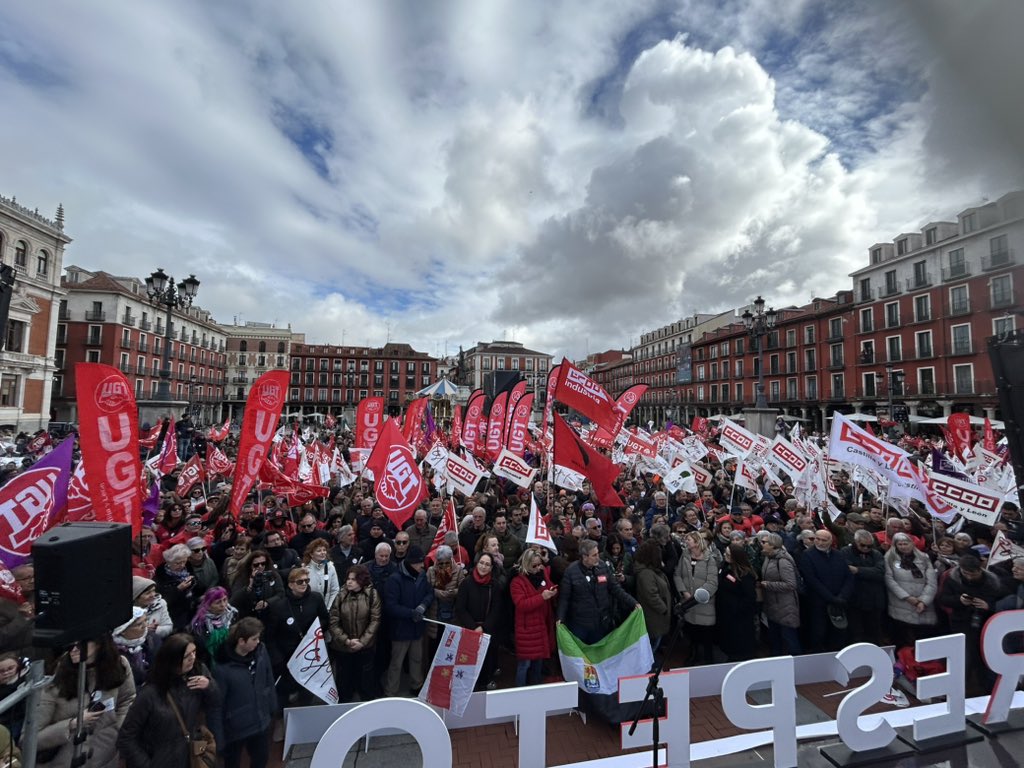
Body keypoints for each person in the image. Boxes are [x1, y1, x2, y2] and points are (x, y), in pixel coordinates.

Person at [117, 633, 219, 768]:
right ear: (173, 659)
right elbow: (126, 737)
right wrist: (147, 765)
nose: (193, 658)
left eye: (194, 652)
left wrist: (209, 687)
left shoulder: (199, 675)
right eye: (187, 656)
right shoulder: (150, 693)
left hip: (190, 757)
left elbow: (214, 704)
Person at [36, 636, 136, 768]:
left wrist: (116, 732)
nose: (73, 650)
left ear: (99, 643)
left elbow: (127, 700)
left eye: (80, 644)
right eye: (69, 645)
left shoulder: (118, 665)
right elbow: (30, 739)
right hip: (64, 761)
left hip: (106, 758)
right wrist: (72, 724)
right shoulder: (56, 678)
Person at [213, 618, 276, 768]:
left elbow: (268, 678)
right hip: (236, 727)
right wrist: (218, 738)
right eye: (254, 639)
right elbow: (217, 704)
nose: (258, 642)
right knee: (232, 762)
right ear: (241, 641)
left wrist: (271, 705)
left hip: (260, 719)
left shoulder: (261, 652)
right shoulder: (222, 669)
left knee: (261, 759)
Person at [264, 567, 331, 707]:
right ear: (290, 585)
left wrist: (314, 630)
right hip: (287, 658)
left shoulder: (316, 598)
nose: (304, 584)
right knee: (283, 695)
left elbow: (325, 619)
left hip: (309, 655)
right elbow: (269, 636)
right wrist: (278, 660)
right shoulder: (278, 606)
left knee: (307, 692)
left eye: (307, 580)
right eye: (300, 581)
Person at [557, 539, 640, 645]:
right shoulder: (571, 572)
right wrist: (560, 618)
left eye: (597, 553)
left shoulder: (602, 566)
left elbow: (615, 588)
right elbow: (564, 598)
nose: (598, 557)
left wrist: (633, 603)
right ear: (585, 557)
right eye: (594, 555)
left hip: (600, 623)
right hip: (580, 625)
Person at [382, 545, 433, 697]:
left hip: (417, 628)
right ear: (411, 563)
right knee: (396, 662)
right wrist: (411, 613)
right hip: (401, 629)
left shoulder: (422, 576)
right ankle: (391, 691)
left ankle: (416, 685)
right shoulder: (395, 579)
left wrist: (424, 605)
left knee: (417, 659)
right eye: (419, 563)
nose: (422, 565)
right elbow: (391, 606)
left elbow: (429, 593)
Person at [328, 565, 381, 702]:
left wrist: (362, 642)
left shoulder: (372, 595)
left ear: (361, 580)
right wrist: (346, 640)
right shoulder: (341, 595)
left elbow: (375, 620)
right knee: (344, 680)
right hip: (343, 647)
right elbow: (333, 621)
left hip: (365, 647)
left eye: (353, 579)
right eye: (348, 579)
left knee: (365, 679)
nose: (349, 582)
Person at [455, 553, 505, 690]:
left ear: (491, 568)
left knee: (486, 659)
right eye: (482, 563)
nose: (483, 567)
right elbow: (460, 608)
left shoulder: (494, 585)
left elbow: (496, 609)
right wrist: (473, 627)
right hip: (470, 629)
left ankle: (485, 682)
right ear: (477, 564)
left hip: (487, 629)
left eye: (487, 564)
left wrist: (485, 627)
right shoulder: (466, 583)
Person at [800, 529, 854, 652]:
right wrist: (831, 598)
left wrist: (843, 596)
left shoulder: (839, 555)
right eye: (817, 539)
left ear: (830, 541)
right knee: (819, 633)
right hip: (818, 603)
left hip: (839, 602)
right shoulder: (807, 555)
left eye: (823, 540)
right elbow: (811, 580)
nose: (819, 542)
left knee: (838, 634)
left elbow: (848, 577)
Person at [509, 549, 557, 687]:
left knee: (538, 662)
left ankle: (535, 689)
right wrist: (542, 597)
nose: (537, 568)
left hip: (541, 626)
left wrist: (552, 589)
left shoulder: (542, 575)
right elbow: (521, 604)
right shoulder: (517, 582)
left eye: (539, 564)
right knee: (524, 665)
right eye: (534, 566)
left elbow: (549, 587)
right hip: (527, 629)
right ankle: (519, 691)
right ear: (526, 564)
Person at [884, 532, 938, 648]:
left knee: (923, 640)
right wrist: (907, 597)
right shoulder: (889, 558)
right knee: (903, 640)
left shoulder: (924, 558)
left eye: (906, 543)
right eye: (900, 544)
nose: (903, 546)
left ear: (912, 543)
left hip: (922, 604)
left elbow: (932, 582)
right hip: (901, 605)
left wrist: (923, 601)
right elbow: (889, 580)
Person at [674, 531, 718, 665]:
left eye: (689, 540)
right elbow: (677, 575)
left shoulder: (710, 559)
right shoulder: (684, 556)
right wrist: (684, 591)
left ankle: (707, 660)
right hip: (688, 604)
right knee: (692, 634)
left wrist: (698, 595)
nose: (686, 542)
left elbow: (712, 582)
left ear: (697, 542)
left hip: (704, 605)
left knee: (706, 635)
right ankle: (694, 656)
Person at [841, 530, 887, 646]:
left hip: (874, 600)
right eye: (863, 545)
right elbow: (848, 571)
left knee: (874, 632)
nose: (866, 548)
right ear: (856, 542)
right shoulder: (845, 552)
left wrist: (858, 570)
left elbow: (880, 573)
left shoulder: (876, 554)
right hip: (855, 600)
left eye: (869, 546)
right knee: (856, 634)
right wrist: (869, 571)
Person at [758, 533, 801, 656]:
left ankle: (797, 664)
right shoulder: (768, 558)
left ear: (773, 545)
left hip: (785, 606)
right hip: (772, 605)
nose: (761, 544)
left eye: (764, 542)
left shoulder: (783, 561)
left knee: (790, 638)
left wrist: (768, 585)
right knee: (775, 639)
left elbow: (791, 584)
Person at [715, 544, 758, 661]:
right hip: (725, 613)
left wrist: (736, 608)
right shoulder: (724, 567)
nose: (725, 555)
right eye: (725, 553)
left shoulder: (745, 574)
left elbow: (750, 597)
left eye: (728, 555)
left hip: (738, 617)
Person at [632, 539, 671, 653]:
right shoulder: (646, 574)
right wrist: (664, 609)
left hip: (656, 616)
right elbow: (651, 596)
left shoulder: (651, 570)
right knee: (652, 648)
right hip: (654, 617)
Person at [153, 544, 198, 631]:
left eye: (184, 561)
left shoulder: (188, 567)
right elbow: (163, 600)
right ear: (168, 562)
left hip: (190, 608)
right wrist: (178, 589)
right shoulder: (161, 576)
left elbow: (197, 586)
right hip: (174, 614)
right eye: (178, 563)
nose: (182, 565)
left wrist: (193, 581)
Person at [229, 550, 285, 619]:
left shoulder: (272, 574)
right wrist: (249, 586)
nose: (260, 566)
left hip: (269, 614)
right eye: (256, 565)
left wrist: (267, 602)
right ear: (250, 565)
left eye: (263, 563)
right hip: (248, 616)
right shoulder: (241, 577)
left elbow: (281, 593)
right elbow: (234, 599)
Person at [190, 587, 238, 665]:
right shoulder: (199, 624)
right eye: (218, 602)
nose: (223, 605)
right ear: (208, 605)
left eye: (225, 600)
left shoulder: (233, 615)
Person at [113, 608, 158, 688]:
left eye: (145, 620)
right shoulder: (113, 653)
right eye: (139, 624)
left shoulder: (153, 639)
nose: (145, 626)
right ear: (122, 631)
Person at [133, 576, 173, 643]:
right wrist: (144, 630)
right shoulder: (126, 610)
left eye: (153, 591)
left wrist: (155, 630)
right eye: (148, 593)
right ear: (136, 596)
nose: (153, 595)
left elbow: (168, 627)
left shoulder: (160, 603)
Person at [302, 539, 341, 609]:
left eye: (324, 550)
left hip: (327, 608)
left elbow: (335, 590)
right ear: (311, 554)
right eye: (319, 551)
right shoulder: (305, 569)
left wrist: (329, 608)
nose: (323, 552)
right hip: (309, 608)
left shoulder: (330, 567)